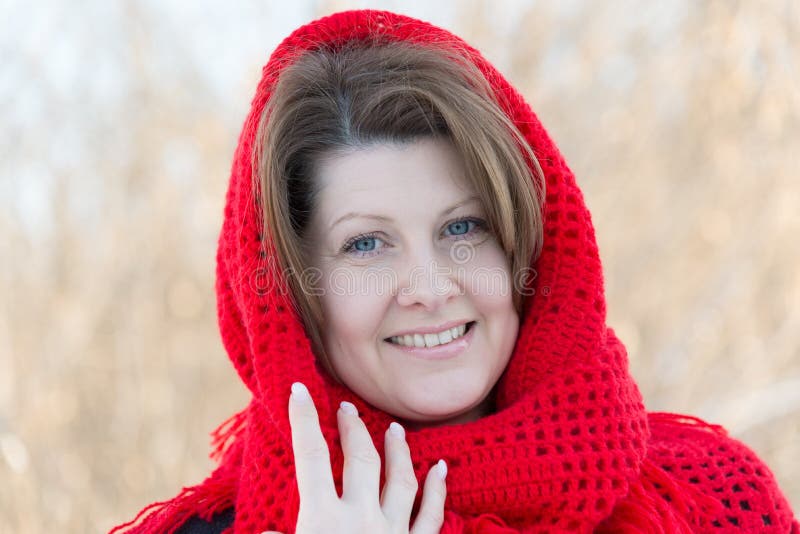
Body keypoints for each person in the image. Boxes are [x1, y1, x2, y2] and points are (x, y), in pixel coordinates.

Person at [111, 9, 798, 534]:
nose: (431, 287)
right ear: (295, 293)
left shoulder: (714, 502)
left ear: (526, 246)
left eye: (462, 228)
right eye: (366, 246)